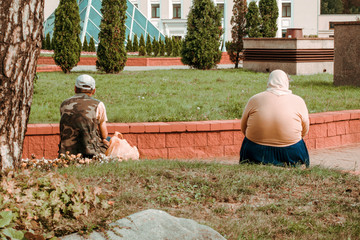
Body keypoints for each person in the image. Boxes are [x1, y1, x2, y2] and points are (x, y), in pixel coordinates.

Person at [239, 69, 310, 167]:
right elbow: (305, 130)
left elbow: (243, 127)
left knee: (247, 141)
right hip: (290, 152)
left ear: (269, 81)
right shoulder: (298, 101)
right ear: (286, 82)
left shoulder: (255, 99)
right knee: (300, 143)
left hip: (256, 152)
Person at [58, 74, 109, 158]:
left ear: (75, 89)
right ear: (93, 91)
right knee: (109, 139)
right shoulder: (98, 105)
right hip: (91, 153)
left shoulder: (64, 104)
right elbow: (104, 135)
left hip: (66, 153)